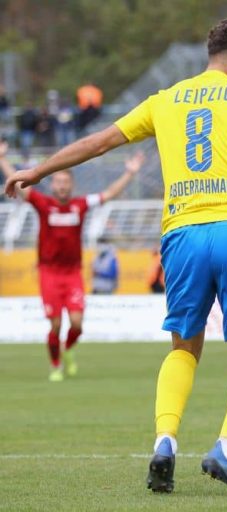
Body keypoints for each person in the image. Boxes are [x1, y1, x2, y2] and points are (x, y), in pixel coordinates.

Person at [4, 18, 227, 495]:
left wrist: (37, 170)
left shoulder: (165, 100)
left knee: (184, 347)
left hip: (180, 234)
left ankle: (164, 443)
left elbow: (97, 143)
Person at [0, 140, 143, 381]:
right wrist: (3, 160)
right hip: (49, 273)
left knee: (77, 324)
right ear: (53, 185)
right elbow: (22, 187)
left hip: (73, 273)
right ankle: (56, 364)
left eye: (66, 182)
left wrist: (129, 173)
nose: (62, 186)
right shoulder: (44, 204)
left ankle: (68, 351)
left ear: (71, 185)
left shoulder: (80, 205)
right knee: (55, 325)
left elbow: (108, 195)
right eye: (58, 182)